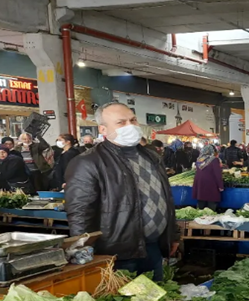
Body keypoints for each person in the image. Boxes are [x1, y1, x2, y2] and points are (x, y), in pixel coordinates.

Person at [65, 102, 178, 282]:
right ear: (103, 129)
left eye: (132, 120)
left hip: (153, 247)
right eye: (121, 122)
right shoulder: (88, 162)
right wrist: (83, 251)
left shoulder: (151, 157)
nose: (130, 126)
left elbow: (166, 198)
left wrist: (173, 234)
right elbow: (80, 212)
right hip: (117, 254)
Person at [192, 144, 224, 211]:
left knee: (200, 204)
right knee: (211, 205)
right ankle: (210, 219)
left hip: (200, 183)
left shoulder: (199, 160)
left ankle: (199, 219)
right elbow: (217, 174)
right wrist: (220, 186)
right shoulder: (214, 160)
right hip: (210, 184)